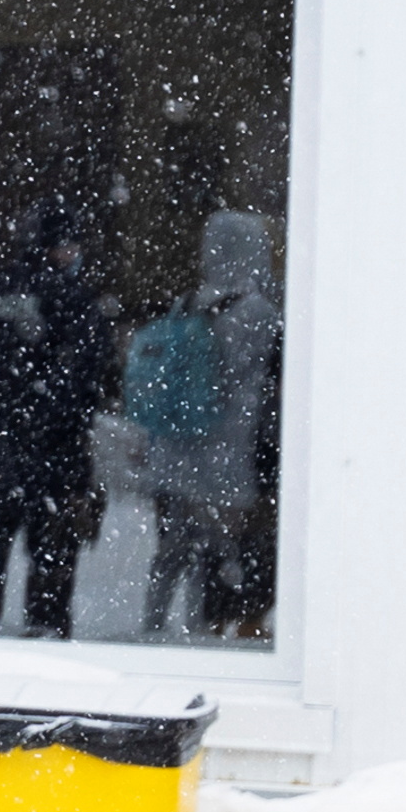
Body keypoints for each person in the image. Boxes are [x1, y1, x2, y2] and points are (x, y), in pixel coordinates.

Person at [0, 195, 118, 639]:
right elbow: (94, 380)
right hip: (55, 462)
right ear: (64, 246)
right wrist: (60, 418)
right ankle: (45, 678)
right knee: (49, 596)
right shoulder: (74, 300)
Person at [134, 206, 283, 641]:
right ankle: (213, 633)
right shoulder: (257, 312)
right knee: (226, 554)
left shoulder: (188, 302)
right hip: (229, 456)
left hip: (177, 449)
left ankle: (158, 628)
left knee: (173, 553)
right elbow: (260, 388)